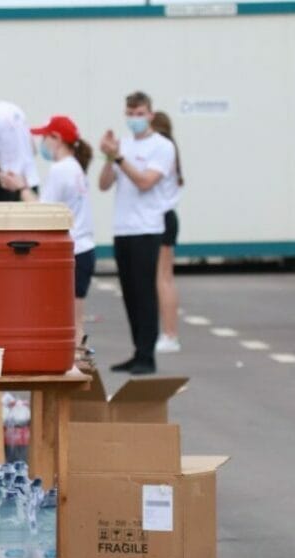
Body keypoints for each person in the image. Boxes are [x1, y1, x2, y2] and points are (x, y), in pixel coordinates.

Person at [0, 115, 96, 346]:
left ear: (56, 138)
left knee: (69, 325)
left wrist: (21, 187)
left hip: (72, 251)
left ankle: (75, 364)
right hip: (83, 249)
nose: (41, 143)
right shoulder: (74, 167)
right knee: (75, 322)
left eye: (44, 137)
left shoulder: (60, 169)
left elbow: (43, 213)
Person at [98, 91, 177, 376]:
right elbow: (104, 184)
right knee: (129, 293)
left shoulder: (162, 147)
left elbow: (145, 182)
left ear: (150, 115)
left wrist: (120, 158)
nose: (134, 119)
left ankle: (147, 354)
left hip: (148, 227)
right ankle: (137, 350)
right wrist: (110, 157)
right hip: (123, 228)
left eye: (140, 114)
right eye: (130, 114)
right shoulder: (124, 145)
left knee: (145, 292)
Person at [151, 111, 184, 353]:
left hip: (161, 217)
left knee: (163, 278)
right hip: (166, 217)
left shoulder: (163, 151)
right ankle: (168, 333)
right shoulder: (171, 150)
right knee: (163, 277)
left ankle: (170, 334)